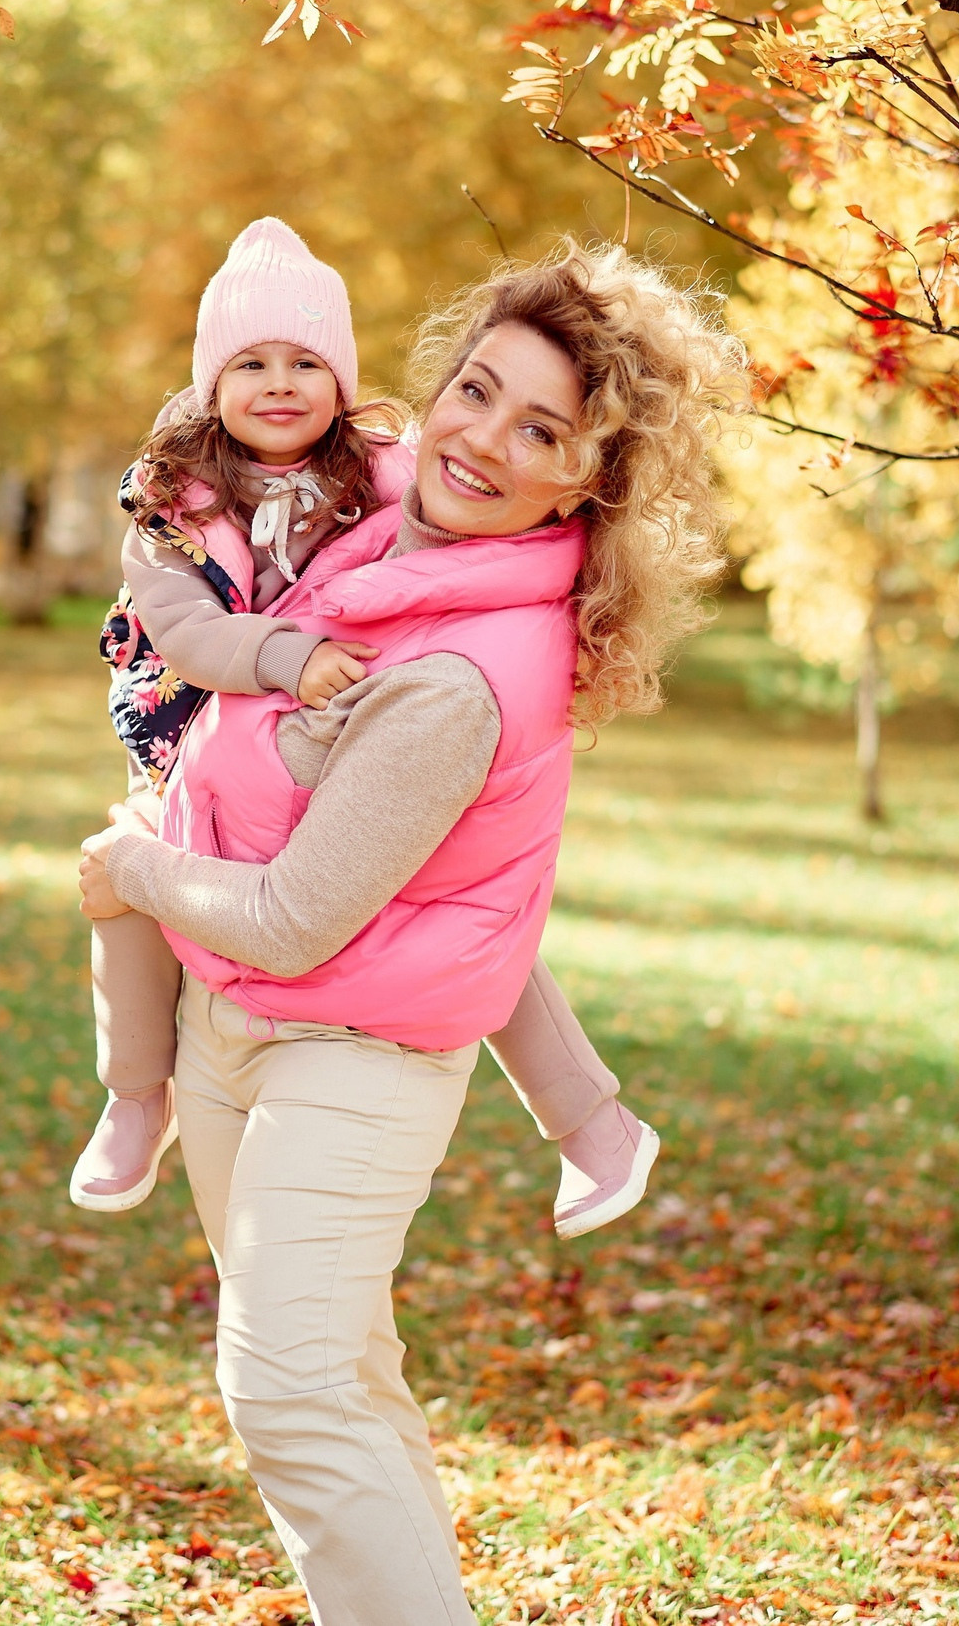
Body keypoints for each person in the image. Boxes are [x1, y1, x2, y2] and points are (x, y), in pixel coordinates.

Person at [77, 245, 745, 1625]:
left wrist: (135, 870)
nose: (484, 439)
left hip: (349, 1050)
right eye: (476, 390)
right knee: (348, 1383)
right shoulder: (383, 525)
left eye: (541, 429)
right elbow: (239, 453)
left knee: (293, 1394)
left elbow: (299, 913)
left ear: (586, 480)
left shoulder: (460, 675)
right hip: (231, 1026)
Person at [71, 217, 655, 1239]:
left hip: (324, 897)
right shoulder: (173, 506)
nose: (280, 385)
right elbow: (189, 635)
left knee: (459, 915)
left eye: (307, 363)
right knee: (136, 889)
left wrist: (138, 864)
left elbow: (442, 477)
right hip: (190, 704)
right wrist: (286, 660)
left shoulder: (372, 476)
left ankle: (592, 1123)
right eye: (250, 364)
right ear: (213, 384)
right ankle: (132, 1094)